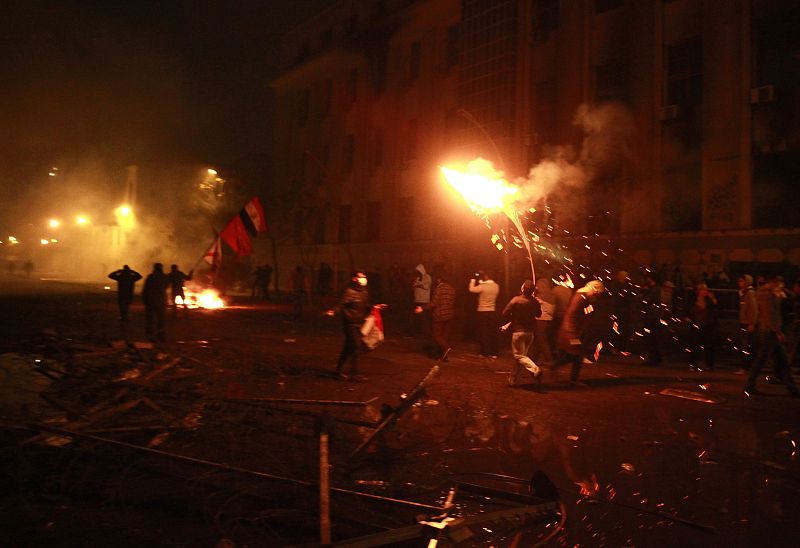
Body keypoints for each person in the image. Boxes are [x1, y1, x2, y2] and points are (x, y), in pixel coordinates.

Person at [744, 275, 799, 397]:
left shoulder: (770, 293)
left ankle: (792, 388)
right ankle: (750, 384)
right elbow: (770, 314)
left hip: (769, 330)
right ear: (774, 282)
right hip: (769, 332)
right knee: (763, 360)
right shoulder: (768, 294)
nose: (782, 286)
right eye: (780, 283)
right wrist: (777, 331)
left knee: (781, 360)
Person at [554, 280, 605, 386]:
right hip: (570, 332)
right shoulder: (582, 298)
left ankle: (556, 366)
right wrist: (572, 332)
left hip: (571, 331)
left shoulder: (583, 296)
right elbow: (573, 314)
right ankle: (561, 370)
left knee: (575, 354)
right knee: (577, 353)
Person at [501, 280, 543, 387]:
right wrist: (536, 303)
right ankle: (513, 379)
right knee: (521, 357)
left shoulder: (516, 300)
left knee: (519, 356)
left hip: (518, 332)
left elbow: (504, 313)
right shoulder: (535, 302)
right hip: (530, 334)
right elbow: (539, 314)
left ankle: (535, 369)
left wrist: (514, 316)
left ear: (523, 289)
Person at [335, 271, 372, 382]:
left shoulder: (364, 292)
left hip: (359, 323)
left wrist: (374, 307)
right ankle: (355, 373)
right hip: (350, 323)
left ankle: (338, 371)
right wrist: (333, 311)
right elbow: (341, 305)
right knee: (356, 347)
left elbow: (365, 305)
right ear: (354, 279)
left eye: (364, 276)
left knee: (348, 347)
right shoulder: (349, 292)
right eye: (361, 277)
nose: (363, 279)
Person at [685, 282, 719, 371]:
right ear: (698, 291)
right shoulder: (693, 300)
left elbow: (715, 312)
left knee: (708, 345)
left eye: (705, 290)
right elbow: (689, 310)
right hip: (696, 325)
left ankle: (709, 364)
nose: (704, 291)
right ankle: (692, 364)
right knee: (694, 345)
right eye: (702, 289)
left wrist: (714, 302)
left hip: (707, 325)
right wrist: (688, 317)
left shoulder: (710, 301)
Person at [469, 270, 500, 358]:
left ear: (486, 276)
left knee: (483, 332)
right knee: (492, 332)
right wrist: (481, 281)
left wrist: (473, 279)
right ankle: (494, 352)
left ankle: (485, 352)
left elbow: (471, 289)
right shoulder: (496, 286)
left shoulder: (483, 286)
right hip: (492, 311)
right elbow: (486, 286)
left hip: (482, 311)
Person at [430, 274, 456, 362]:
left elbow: (433, 303)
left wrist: (422, 307)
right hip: (449, 314)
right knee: (444, 336)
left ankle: (446, 347)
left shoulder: (439, 289)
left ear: (439, 280)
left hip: (439, 315)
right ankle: (442, 356)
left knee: (436, 335)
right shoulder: (452, 289)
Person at [142, 263, 169, 342]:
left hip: (151, 301)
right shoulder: (164, 277)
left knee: (150, 320)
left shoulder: (150, 277)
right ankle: (161, 336)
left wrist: (145, 300)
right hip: (161, 301)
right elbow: (166, 286)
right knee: (161, 320)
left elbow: (145, 290)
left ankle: (150, 336)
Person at [737, 274, 758, 374]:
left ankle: (745, 367)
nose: (739, 283)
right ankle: (748, 366)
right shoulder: (743, 293)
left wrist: (752, 323)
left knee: (746, 345)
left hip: (747, 323)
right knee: (746, 345)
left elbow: (753, 309)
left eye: (742, 281)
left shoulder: (750, 293)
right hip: (744, 322)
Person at [533, 278, 555, 365]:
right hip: (550, 321)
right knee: (540, 340)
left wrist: (533, 295)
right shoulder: (553, 296)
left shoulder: (539, 296)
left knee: (542, 341)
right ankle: (536, 359)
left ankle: (549, 359)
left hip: (541, 321)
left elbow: (534, 305)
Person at [412, 263, 432, 335]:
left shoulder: (427, 277)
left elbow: (427, 286)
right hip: (417, 300)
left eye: (418, 271)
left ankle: (426, 332)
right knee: (418, 317)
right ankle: (418, 332)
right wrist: (415, 284)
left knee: (425, 317)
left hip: (424, 301)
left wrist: (419, 284)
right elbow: (413, 285)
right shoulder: (417, 277)